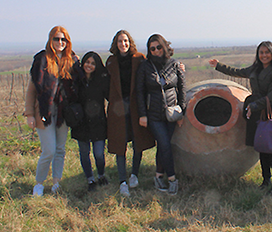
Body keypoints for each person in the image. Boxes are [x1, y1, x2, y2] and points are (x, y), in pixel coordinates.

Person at [209, 41, 272, 193]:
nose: (264, 55)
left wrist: (254, 106)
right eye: (261, 52)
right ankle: (265, 180)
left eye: (267, 52)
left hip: (271, 112)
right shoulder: (255, 68)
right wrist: (219, 66)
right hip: (256, 112)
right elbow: (237, 72)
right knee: (262, 147)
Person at [24, 26, 80, 196]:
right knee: (49, 150)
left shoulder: (71, 60)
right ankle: (39, 183)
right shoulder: (41, 60)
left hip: (64, 112)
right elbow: (32, 90)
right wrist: (30, 114)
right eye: (57, 39)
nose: (60, 42)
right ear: (50, 40)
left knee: (60, 149)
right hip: (44, 112)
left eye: (64, 39)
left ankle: (56, 183)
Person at [106, 30, 155, 197]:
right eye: (120, 41)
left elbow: (153, 69)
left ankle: (134, 174)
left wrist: (178, 66)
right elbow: (106, 84)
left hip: (136, 106)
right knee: (120, 144)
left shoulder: (139, 59)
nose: (123, 44)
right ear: (116, 43)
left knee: (137, 140)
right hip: (118, 109)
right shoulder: (111, 61)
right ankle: (122, 181)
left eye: (125, 41)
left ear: (130, 42)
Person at [136, 34, 186, 195]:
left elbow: (182, 89)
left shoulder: (175, 65)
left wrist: (181, 112)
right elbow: (140, 92)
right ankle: (172, 178)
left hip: (171, 113)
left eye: (158, 47)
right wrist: (143, 115)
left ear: (164, 47)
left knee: (164, 147)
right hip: (154, 115)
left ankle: (158, 176)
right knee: (164, 144)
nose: (156, 50)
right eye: (152, 48)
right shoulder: (145, 66)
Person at [71, 52, 109, 192]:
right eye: (87, 62)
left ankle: (101, 174)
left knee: (99, 153)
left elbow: (111, 95)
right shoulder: (77, 80)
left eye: (93, 63)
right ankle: (90, 179)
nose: (89, 65)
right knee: (84, 152)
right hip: (81, 122)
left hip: (98, 122)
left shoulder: (101, 80)